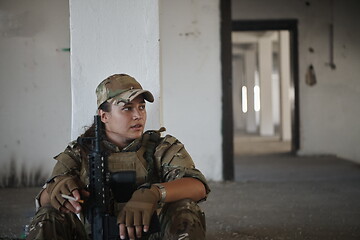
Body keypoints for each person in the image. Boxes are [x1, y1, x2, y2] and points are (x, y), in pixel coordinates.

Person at [26, 74, 210, 240]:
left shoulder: (160, 147)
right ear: (104, 116)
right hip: (93, 233)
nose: (138, 115)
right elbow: (44, 200)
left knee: (184, 208)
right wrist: (57, 189)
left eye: (142, 107)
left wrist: (154, 193)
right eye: (127, 108)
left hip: (152, 233)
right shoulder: (80, 150)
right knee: (49, 214)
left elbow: (197, 186)